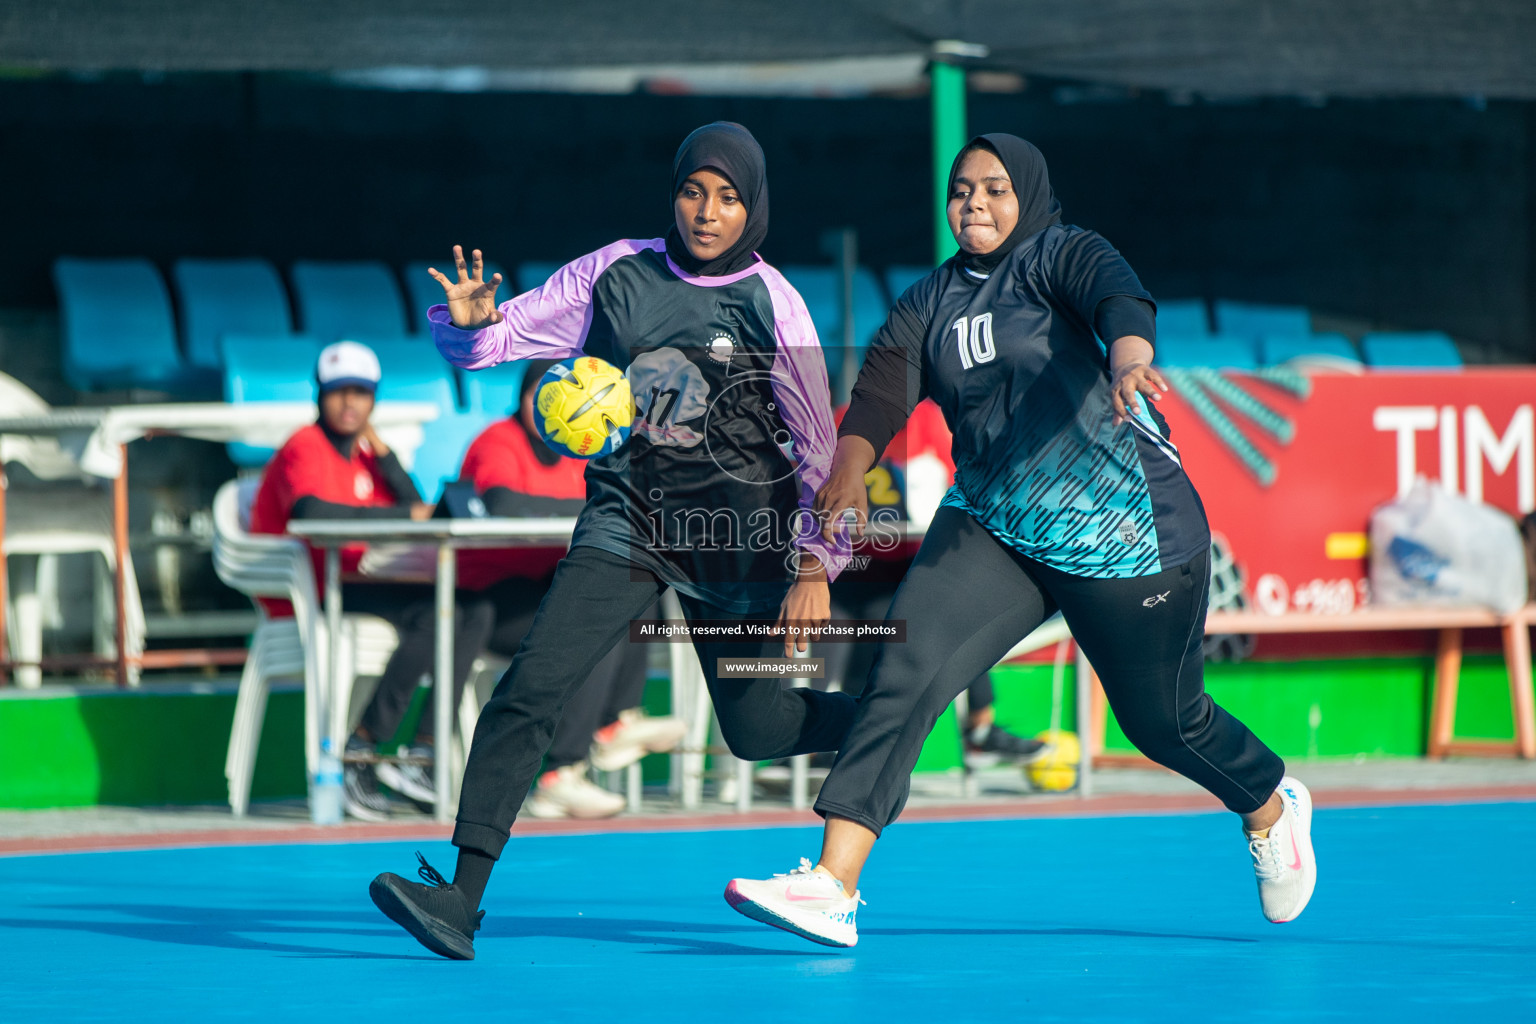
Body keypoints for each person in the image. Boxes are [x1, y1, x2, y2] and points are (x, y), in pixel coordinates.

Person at [723, 134, 1316, 948]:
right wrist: (851, 468)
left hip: (1125, 535)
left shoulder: (1060, 257)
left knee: (1163, 725)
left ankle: (1270, 804)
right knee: (907, 669)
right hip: (995, 526)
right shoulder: (927, 302)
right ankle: (832, 884)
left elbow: (1120, 301)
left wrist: (1129, 361)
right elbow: (877, 399)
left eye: (994, 189)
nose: (975, 205)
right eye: (961, 191)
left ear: (1027, 194)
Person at [369, 121, 860, 960]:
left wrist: (819, 560)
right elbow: (498, 339)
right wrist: (465, 327)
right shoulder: (614, 271)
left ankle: (887, 715)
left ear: (755, 208)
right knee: (534, 683)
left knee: (759, 730)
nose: (707, 212)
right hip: (625, 520)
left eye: (730, 197)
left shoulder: (775, 302)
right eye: (694, 192)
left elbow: (822, 449)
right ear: (673, 194)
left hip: (737, 537)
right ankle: (461, 894)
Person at [249, 341, 496, 821]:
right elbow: (310, 511)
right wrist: (403, 511)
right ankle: (360, 752)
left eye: (361, 393)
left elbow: (417, 505)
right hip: (313, 588)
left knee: (470, 608)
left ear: (373, 401)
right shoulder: (305, 444)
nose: (349, 403)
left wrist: (382, 452)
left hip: (359, 579)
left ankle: (421, 756)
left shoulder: (365, 455)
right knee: (436, 616)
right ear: (320, 396)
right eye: (339, 392)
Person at [457, 358, 686, 819]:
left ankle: (615, 723)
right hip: (491, 600)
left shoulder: (581, 444)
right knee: (590, 623)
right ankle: (558, 774)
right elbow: (501, 502)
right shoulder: (497, 440)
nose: (561, 408)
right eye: (540, 398)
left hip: (542, 583)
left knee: (629, 584)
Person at [823, 398, 1044, 769]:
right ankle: (807, 749)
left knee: (953, 613)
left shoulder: (930, 418)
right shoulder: (848, 420)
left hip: (903, 569)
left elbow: (952, 487)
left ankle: (980, 728)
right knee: (825, 652)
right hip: (847, 574)